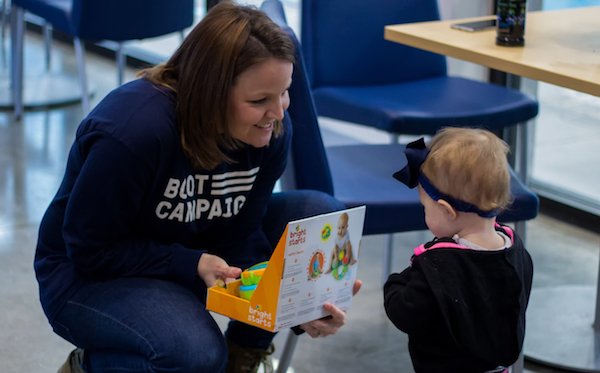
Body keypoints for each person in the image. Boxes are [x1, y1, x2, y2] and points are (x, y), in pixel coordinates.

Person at [34, 3, 361, 373]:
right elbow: (89, 247)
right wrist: (189, 263)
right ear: (210, 92)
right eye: (259, 101)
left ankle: (243, 358)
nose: (278, 113)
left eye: (284, 93)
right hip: (88, 276)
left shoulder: (268, 131)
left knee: (319, 216)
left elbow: (243, 231)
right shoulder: (133, 132)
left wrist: (299, 308)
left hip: (192, 246)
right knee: (195, 354)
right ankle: (94, 366)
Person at [383, 127, 533, 373]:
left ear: (447, 211)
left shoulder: (440, 264)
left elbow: (405, 313)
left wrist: (395, 284)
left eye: (425, 207)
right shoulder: (514, 249)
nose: (425, 214)